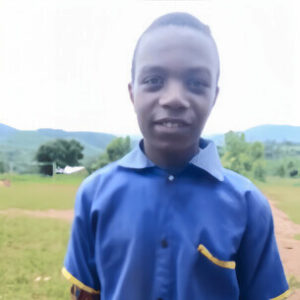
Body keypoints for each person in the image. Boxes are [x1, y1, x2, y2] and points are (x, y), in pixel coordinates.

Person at [62, 12, 290, 300]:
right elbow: (86, 295)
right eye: (154, 80)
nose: (173, 98)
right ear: (133, 93)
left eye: (195, 83)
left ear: (214, 96)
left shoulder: (248, 205)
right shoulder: (94, 196)